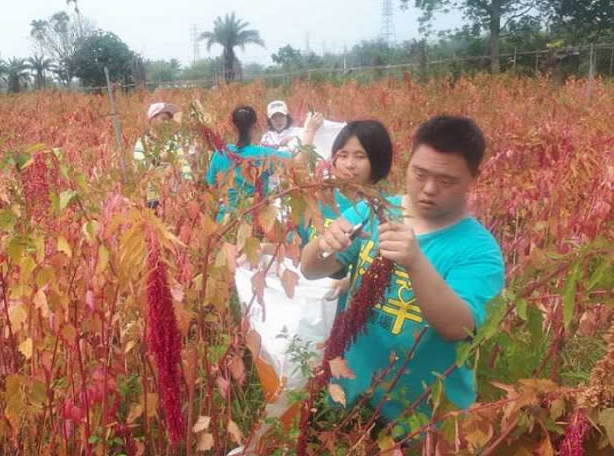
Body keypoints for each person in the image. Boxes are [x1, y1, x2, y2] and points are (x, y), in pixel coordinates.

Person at [300, 115, 505, 430]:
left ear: (473, 178)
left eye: (447, 181)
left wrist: (416, 263)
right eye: (419, 173)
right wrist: (322, 245)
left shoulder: (479, 250)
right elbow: (311, 269)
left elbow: (459, 328)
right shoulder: (376, 210)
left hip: (421, 420)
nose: (429, 189)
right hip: (348, 396)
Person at [296, 120, 394, 305]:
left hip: (351, 310)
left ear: (378, 160)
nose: (350, 164)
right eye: (343, 155)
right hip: (310, 304)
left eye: (360, 156)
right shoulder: (316, 199)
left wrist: (350, 282)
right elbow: (296, 250)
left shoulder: (383, 211)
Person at [206, 105, 292, 223]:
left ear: (232, 127)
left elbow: (212, 188)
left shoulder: (220, 153)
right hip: (254, 221)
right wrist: (310, 131)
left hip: (224, 222)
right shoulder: (263, 154)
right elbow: (296, 162)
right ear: (256, 126)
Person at [133, 102, 194, 210]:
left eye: (168, 120)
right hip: (152, 197)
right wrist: (158, 159)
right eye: (163, 119)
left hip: (173, 196)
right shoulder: (142, 143)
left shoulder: (173, 141)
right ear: (152, 120)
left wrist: (188, 181)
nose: (166, 122)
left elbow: (182, 162)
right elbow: (139, 169)